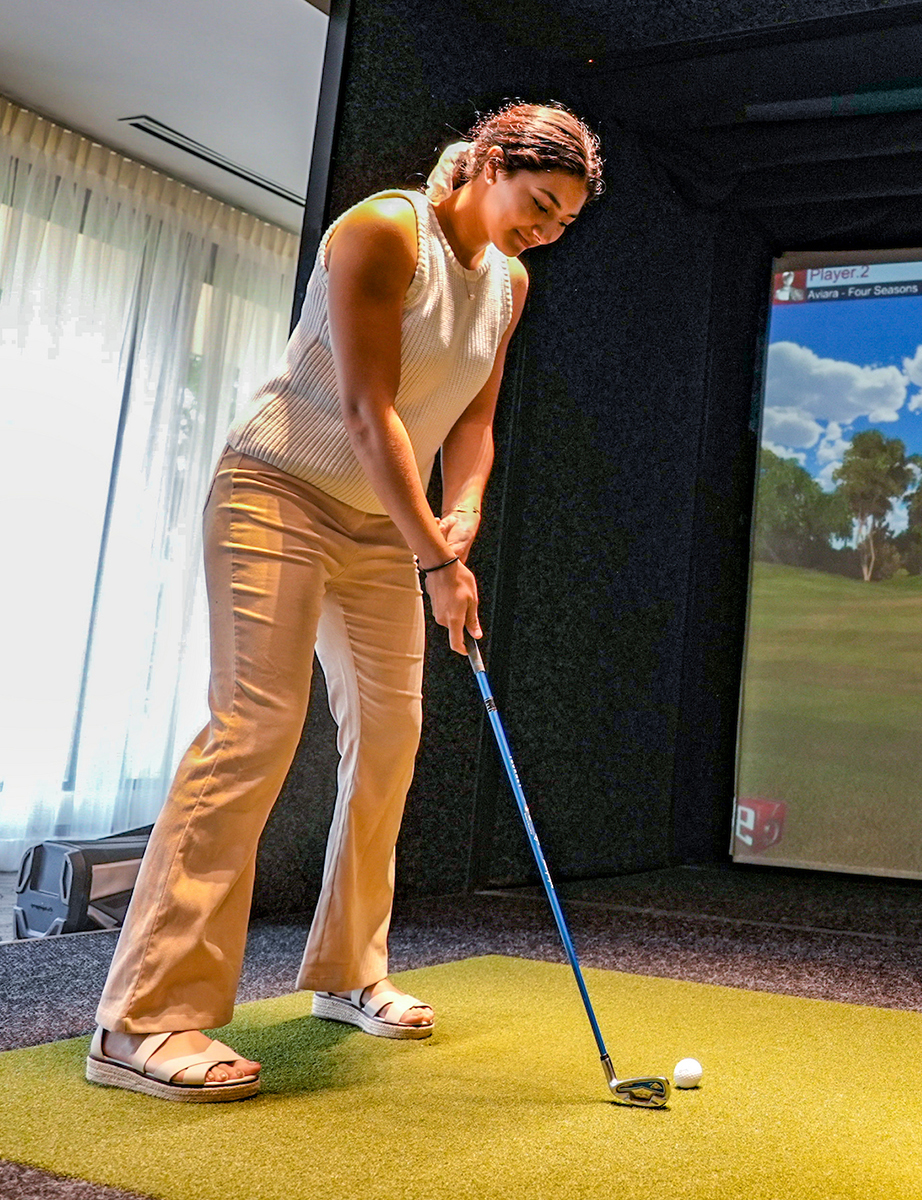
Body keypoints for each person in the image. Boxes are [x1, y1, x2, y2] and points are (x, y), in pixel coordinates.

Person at [84, 103, 603, 1102]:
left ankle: (349, 970)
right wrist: (437, 562)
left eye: (563, 221)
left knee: (393, 734)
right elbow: (370, 411)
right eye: (539, 204)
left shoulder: (510, 282)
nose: (545, 229)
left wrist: (463, 514)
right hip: (276, 490)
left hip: (381, 525)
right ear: (491, 162)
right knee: (255, 727)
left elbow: (472, 417)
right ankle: (139, 1020)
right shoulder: (382, 231)